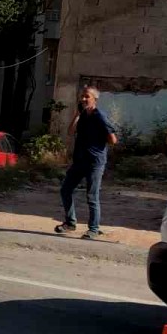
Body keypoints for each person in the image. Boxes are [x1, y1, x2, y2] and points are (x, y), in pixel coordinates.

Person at [56, 86, 118, 240]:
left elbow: (113, 140)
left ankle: (94, 229)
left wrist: (97, 144)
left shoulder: (100, 116)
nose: (83, 99)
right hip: (79, 160)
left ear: (94, 99)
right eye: (82, 96)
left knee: (92, 196)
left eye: (86, 97)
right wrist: (77, 114)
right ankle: (70, 223)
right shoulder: (83, 115)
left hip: (94, 162)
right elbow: (71, 132)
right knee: (65, 190)